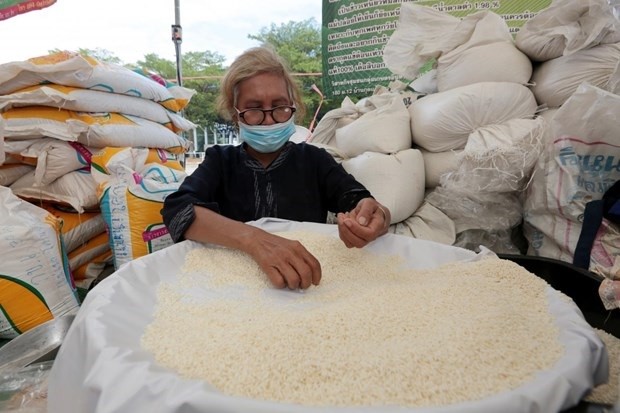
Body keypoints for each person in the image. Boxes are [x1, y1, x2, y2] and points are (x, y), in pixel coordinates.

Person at [162, 46, 391, 290]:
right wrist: (255, 240)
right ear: (236, 114)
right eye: (254, 109)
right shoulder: (220, 161)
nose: (269, 120)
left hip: (304, 282)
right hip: (234, 288)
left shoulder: (314, 161)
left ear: (293, 108)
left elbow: (360, 201)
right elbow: (179, 210)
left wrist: (375, 217)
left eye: (280, 107)